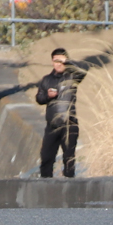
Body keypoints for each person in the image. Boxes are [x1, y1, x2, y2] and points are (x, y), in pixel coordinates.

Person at [36, 47, 81, 178]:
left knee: (69, 158)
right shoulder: (46, 80)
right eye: (56, 60)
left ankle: (68, 184)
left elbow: (84, 69)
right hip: (52, 125)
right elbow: (39, 98)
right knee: (46, 157)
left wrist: (69, 63)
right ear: (52, 62)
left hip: (69, 123)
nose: (59, 64)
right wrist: (48, 96)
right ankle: (45, 184)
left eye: (62, 61)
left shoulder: (72, 77)